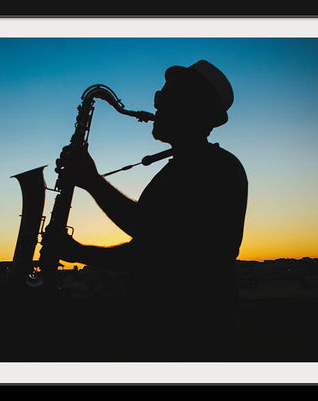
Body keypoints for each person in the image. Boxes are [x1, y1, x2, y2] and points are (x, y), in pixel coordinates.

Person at [47, 60, 248, 361]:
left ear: (192, 110)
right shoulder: (179, 170)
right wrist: (78, 252)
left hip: (193, 337)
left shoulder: (217, 168)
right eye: (159, 98)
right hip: (166, 332)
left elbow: (158, 233)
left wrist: (91, 181)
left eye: (165, 100)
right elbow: (148, 252)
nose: (156, 106)